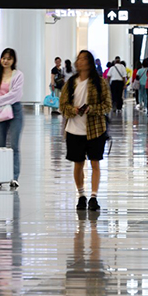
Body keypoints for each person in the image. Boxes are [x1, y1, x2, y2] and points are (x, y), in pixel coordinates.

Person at [61, 50, 112, 212]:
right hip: (74, 130)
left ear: (90, 63)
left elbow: (107, 105)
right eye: (79, 59)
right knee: (78, 164)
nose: (80, 61)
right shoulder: (71, 83)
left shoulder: (99, 83)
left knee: (95, 162)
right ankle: (81, 195)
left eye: (84, 59)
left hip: (95, 129)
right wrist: (73, 110)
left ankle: (94, 197)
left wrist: (91, 109)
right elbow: (63, 106)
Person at [0, 48, 24, 189]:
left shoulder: (18, 75)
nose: (6, 61)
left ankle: (14, 177)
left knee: (14, 145)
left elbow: (15, 95)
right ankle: (0, 176)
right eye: (4, 58)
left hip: (14, 110)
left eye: (9, 58)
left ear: (13, 61)